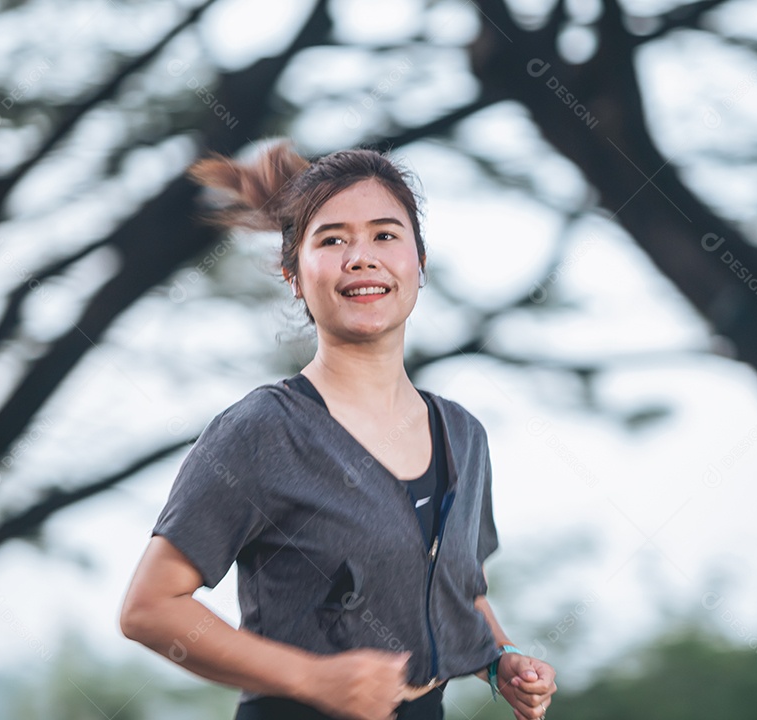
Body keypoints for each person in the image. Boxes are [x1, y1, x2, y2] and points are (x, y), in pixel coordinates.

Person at [119, 140, 558, 720]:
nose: (361, 257)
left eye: (384, 235)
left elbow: (457, 589)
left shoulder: (463, 436)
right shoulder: (261, 432)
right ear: (294, 275)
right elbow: (150, 608)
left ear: (418, 264)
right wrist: (312, 678)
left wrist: (501, 659)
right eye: (331, 240)